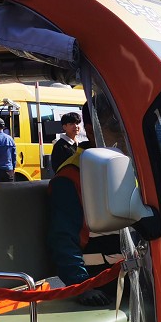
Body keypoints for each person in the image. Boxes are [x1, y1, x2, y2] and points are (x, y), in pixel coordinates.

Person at [46, 106, 112, 306]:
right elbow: (63, 238)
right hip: (102, 279)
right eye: (118, 126)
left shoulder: (122, 162)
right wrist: (82, 285)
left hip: (132, 271)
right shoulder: (71, 176)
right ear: (92, 131)